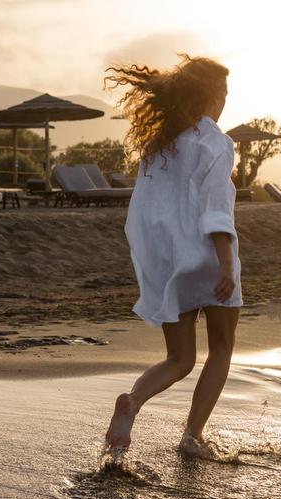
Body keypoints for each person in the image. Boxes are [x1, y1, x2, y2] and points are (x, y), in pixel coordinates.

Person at [102, 54, 241, 455]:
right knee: (222, 348)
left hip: (171, 261)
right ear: (212, 95)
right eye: (225, 93)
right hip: (211, 257)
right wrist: (227, 262)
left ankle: (133, 401)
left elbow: (145, 212)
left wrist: (161, 263)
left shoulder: (161, 144)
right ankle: (191, 437)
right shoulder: (217, 141)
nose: (226, 100)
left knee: (179, 358)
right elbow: (217, 208)